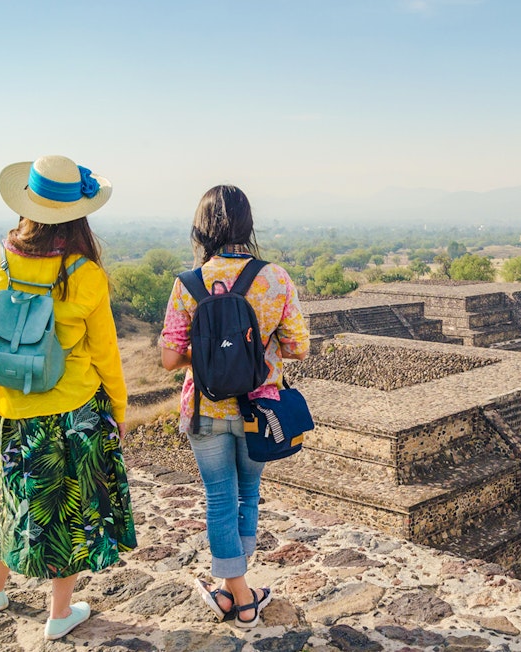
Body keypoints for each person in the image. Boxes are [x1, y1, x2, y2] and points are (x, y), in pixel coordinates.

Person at [0, 155, 137, 641]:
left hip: (13, 408)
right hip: (73, 409)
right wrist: (117, 409)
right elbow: (105, 353)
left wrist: (1, 393)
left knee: (8, 494)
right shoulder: (83, 273)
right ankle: (59, 614)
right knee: (68, 510)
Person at [160, 185, 309, 628]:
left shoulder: (189, 283)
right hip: (258, 410)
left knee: (219, 498)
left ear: (201, 227)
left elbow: (170, 358)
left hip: (206, 409)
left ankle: (234, 594)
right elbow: (298, 347)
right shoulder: (276, 277)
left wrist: (209, 357)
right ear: (247, 225)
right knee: (248, 496)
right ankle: (244, 595)